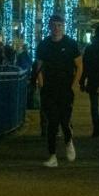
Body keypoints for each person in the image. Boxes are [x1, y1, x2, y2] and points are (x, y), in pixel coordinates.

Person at [33, 13, 83, 167]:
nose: (56, 28)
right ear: (49, 27)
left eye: (59, 25)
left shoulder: (70, 44)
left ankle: (68, 141)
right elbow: (39, 66)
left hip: (65, 88)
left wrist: (73, 85)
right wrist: (41, 84)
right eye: (54, 25)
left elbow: (79, 66)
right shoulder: (44, 45)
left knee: (64, 120)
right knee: (52, 122)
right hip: (49, 88)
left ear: (63, 27)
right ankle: (52, 155)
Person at [81, 25, 99, 137]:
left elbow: (85, 66)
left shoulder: (90, 48)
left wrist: (82, 81)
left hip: (93, 80)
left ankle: (96, 127)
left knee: (94, 105)